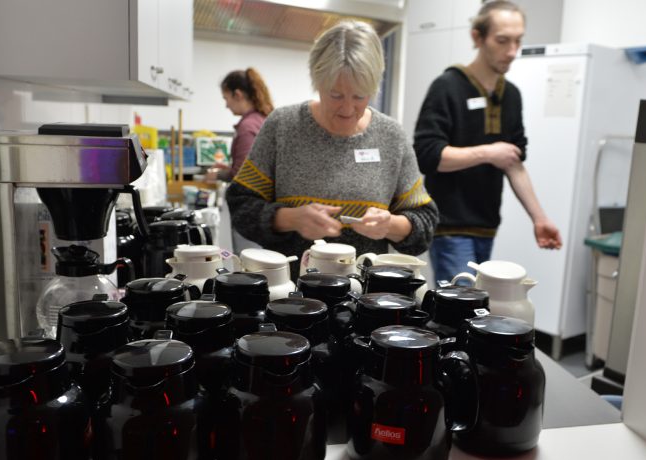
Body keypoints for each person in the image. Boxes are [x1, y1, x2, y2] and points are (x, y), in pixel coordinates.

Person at [226, 20, 439, 278]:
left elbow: (424, 223)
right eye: (336, 95)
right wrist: (291, 219)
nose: (348, 109)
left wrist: (390, 225)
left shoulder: (391, 136)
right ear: (317, 81)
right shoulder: (283, 126)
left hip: (366, 297)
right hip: (290, 295)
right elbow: (241, 206)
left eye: (360, 96)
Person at [413, 0, 562, 284]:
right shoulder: (447, 86)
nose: (512, 51)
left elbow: (513, 162)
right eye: (502, 40)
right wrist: (488, 152)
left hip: (486, 225)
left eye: (518, 41)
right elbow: (429, 156)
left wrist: (539, 219)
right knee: (461, 306)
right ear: (477, 37)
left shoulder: (512, 95)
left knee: (475, 308)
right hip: (449, 225)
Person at [210, 67, 274, 181]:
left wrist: (216, 175)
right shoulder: (261, 118)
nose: (226, 105)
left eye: (226, 98)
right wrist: (230, 168)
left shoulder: (247, 127)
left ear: (238, 95)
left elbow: (242, 174)